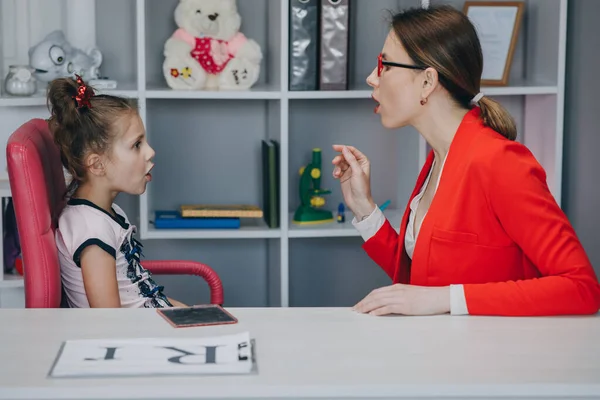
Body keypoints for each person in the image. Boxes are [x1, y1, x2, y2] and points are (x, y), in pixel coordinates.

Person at [332, 5, 600, 317]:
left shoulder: (500, 162)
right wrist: (364, 209)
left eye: (384, 65)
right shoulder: (438, 160)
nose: (371, 78)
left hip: (491, 360)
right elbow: (420, 279)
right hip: (442, 353)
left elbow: (581, 287)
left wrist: (445, 299)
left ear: (427, 82)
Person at [50, 75, 187, 308]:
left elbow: (144, 297)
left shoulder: (106, 213)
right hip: (137, 339)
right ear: (97, 164)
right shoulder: (92, 229)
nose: (150, 152)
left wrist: (192, 314)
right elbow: (110, 322)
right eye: (137, 145)